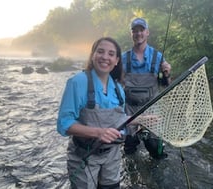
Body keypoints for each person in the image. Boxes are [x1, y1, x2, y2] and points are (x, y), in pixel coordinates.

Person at [57, 37, 127, 189]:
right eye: (100, 51)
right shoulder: (77, 82)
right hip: (84, 156)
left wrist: (139, 120)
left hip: (112, 156)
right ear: (93, 55)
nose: (105, 57)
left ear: (116, 60)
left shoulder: (119, 89)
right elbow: (64, 123)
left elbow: (120, 119)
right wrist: (98, 132)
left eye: (111, 54)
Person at [122, 17, 171, 159]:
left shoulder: (158, 57)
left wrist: (167, 74)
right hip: (130, 111)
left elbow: (166, 85)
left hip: (152, 110)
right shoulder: (123, 58)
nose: (138, 33)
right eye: (134, 31)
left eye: (141, 30)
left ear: (147, 32)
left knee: (157, 152)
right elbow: (116, 87)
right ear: (131, 34)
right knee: (129, 151)